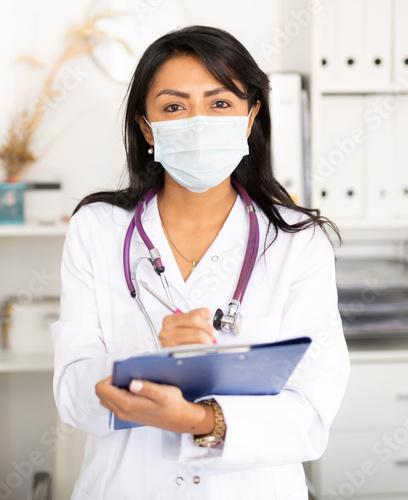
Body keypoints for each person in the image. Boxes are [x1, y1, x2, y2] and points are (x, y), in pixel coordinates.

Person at [52, 25, 350, 500]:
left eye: (219, 103)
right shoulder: (97, 228)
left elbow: (311, 411)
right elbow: (72, 392)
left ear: (249, 117)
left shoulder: (299, 243)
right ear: (146, 127)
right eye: (174, 106)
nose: (197, 121)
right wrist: (143, 368)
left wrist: (198, 419)